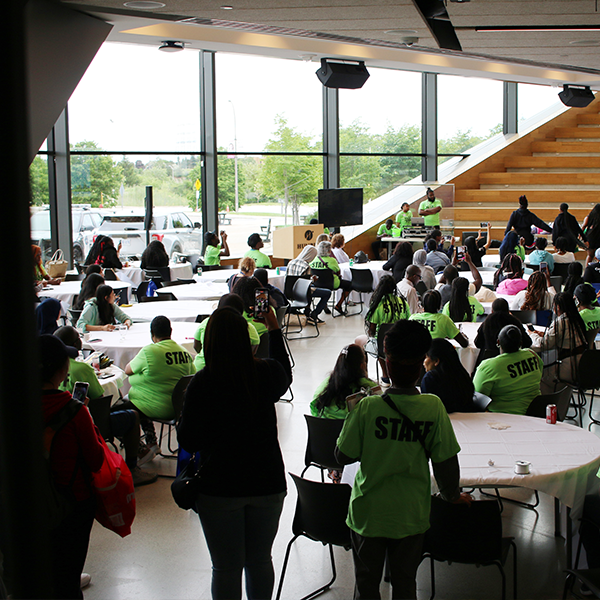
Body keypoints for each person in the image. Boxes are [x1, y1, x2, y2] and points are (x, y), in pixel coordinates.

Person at [334, 320, 469, 600]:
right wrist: (453, 496)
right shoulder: (433, 406)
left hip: (368, 514)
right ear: (422, 365)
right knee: (406, 584)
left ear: (386, 364)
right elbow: (445, 463)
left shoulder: (367, 406)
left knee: (367, 586)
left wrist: (354, 417)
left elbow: (342, 455)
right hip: (410, 515)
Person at [177, 306, 292, 600]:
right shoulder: (266, 373)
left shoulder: (201, 384)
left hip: (219, 487)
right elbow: (285, 371)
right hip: (266, 481)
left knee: (226, 568)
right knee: (259, 560)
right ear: (245, 339)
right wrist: (274, 328)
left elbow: (189, 439)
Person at [38, 334, 104, 599]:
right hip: (71, 503)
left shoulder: (13, 406)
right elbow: (96, 459)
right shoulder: (74, 411)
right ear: (61, 369)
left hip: (25, 503)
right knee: (67, 579)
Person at [53, 326, 157, 486]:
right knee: (131, 412)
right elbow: (99, 396)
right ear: (75, 344)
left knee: (123, 405)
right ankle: (133, 466)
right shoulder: (81, 368)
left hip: (61, 428)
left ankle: (142, 449)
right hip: (91, 423)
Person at [123, 315, 195, 451]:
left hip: (155, 406)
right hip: (179, 409)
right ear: (170, 331)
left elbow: (127, 370)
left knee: (119, 415)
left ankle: (141, 450)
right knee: (142, 400)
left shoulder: (149, 351)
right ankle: (151, 443)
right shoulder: (185, 353)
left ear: (152, 334)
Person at [473, 324, 543, 415]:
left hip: (503, 418)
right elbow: (540, 374)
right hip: (535, 414)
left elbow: (477, 399)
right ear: (520, 343)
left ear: (498, 342)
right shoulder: (532, 355)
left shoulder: (488, 367)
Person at [355, 274, 411, 386]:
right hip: (401, 343)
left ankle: (380, 376)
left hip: (383, 345)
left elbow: (371, 330)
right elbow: (407, 321)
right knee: (385, 341)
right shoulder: (403, 303)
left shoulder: (378, 304)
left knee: (362, 340)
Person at [530, 292, 588, 393]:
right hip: (583, 365)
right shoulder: (576, 318)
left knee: (538, 375)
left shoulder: (560, 322)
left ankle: (551, 401)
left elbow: (544, 345)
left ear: (557, 306)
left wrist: (532, 334)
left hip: (569, 367)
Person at [194, 293, 260, 372]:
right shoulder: (248, 327)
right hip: (239, 371)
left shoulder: (206, 323)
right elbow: (253, 350)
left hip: (203, 368)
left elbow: (196, 346)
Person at [311, 344, 377, 420]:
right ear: (362, 365)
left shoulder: (326, 384)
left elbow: (314, 408)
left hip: (325, 430)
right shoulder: (370, 386)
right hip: (353, 430)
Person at [421, 338, 475, 413]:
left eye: (426, 357)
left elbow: (428, 409)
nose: (423, 362)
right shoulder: (463, 375)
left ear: (436, 361)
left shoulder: (431, 378)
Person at [285, 244, 331, 322]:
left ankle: (307, 312)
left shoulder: (291, 262)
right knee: (327, 293)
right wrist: (313, 279)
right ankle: (314, 314)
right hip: (301, 292)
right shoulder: (306, 266)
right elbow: (305, 284)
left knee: (311, 288)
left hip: (289, 292)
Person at [309, 240, 352, 316]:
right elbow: (338, 272)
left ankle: (325, 305)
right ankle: (338, 305)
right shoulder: (332, 260)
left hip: (317, 284)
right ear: (329, 250)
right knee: (349, 285)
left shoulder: (313, 260)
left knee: (324, 285)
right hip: (332, 284)